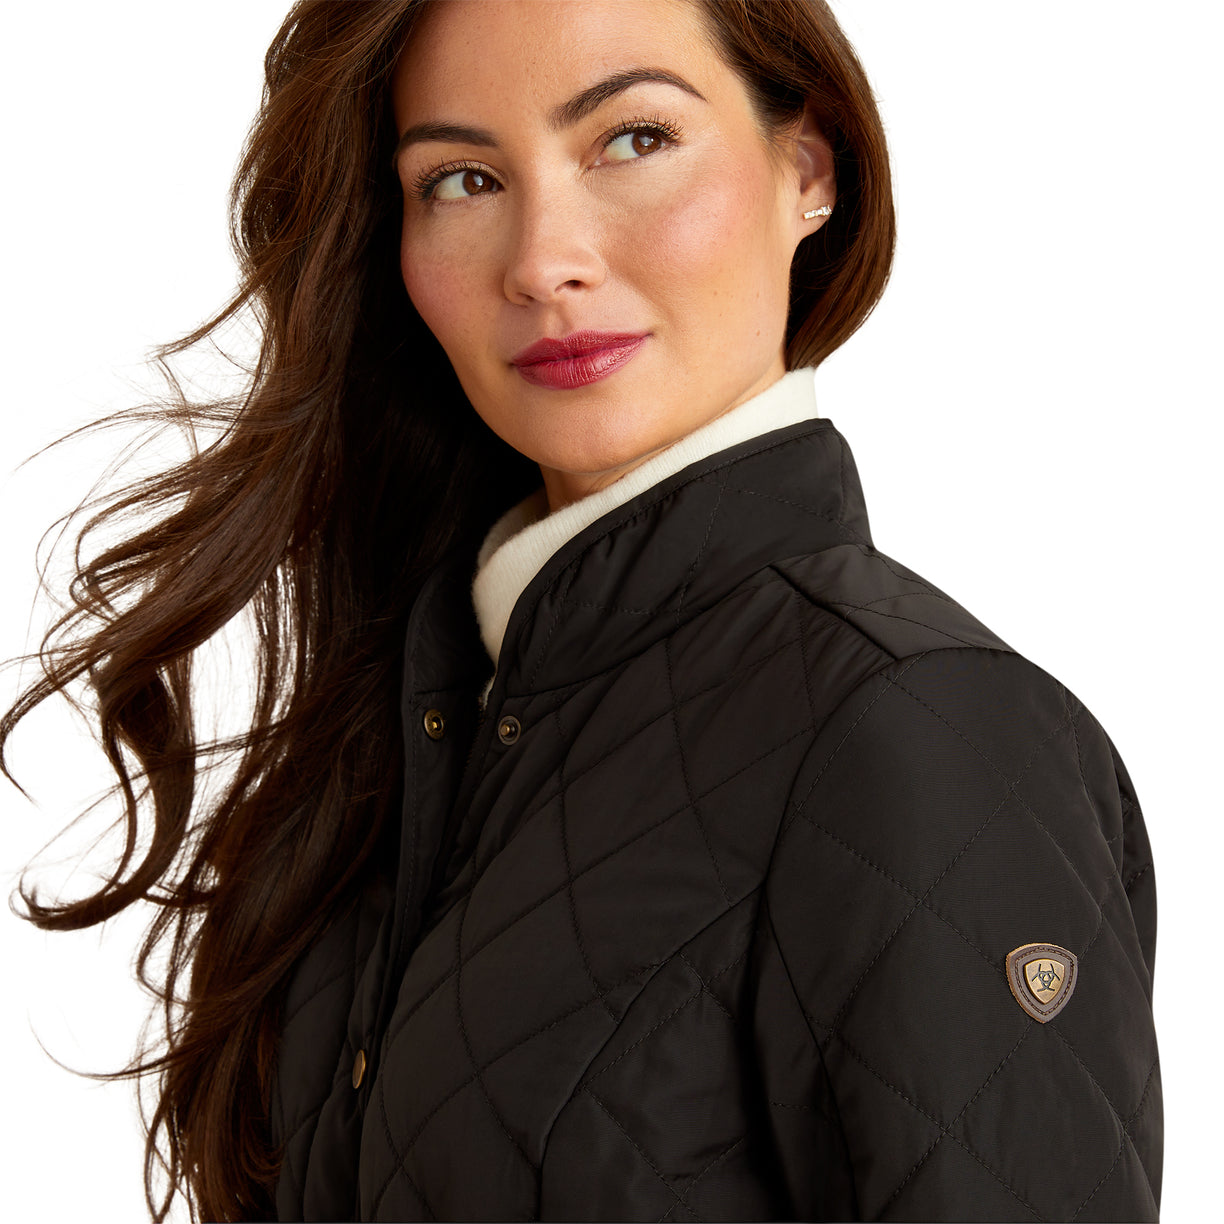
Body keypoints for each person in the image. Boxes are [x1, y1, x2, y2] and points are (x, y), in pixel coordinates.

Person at [1, 1, 1162, 1221]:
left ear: (809, 169)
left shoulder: (928, 731)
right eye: (461, 179)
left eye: (634, 140)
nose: (542, 260)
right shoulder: (419, 727)